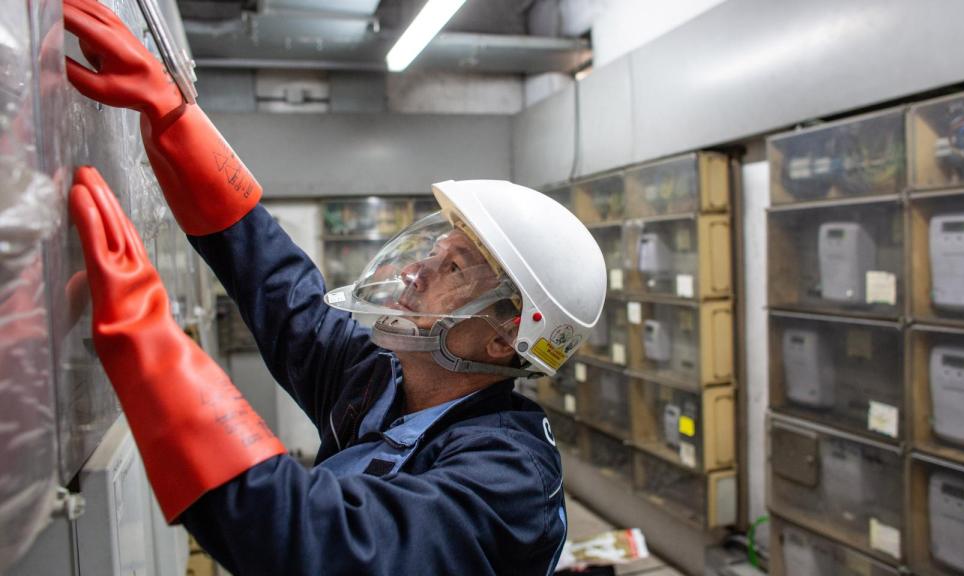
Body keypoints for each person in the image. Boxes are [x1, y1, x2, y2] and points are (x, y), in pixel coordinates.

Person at [62, 0, 607, 574]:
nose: (418, 270)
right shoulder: (381, 381)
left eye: (454, 268)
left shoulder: (511, 479)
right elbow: (284, 293)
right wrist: (175, 121)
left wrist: (152, 353)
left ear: (503, 336)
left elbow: (334, 548)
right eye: (435, 251)